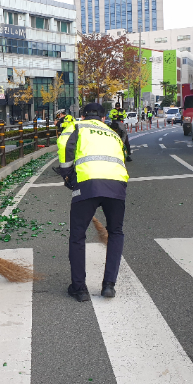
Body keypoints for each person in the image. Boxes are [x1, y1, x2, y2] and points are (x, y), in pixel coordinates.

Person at [54, 102, 129, 302]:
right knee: (116, 232)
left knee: (78, 236)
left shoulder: (77, 127)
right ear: (103, 118)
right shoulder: (113, 133)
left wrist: (68, 175)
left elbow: (64, 145)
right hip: (117, 184)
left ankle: (79, 289)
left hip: (88, 183)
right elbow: (121, 155)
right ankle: (109, 286)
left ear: (84, 116)